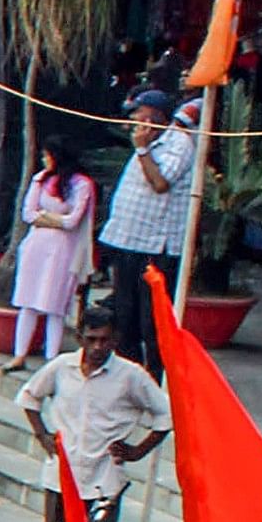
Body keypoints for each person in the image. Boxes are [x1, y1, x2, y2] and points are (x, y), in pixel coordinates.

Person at [17, 316, 170, 522]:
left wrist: (138, 451)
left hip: (104, 478)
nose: (98, 347)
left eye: (104, 340)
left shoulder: (131, 375)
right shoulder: (61, 367)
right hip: (61, 474)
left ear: (115, 341)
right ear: (79, 339)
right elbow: (29, 397)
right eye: (91, 340)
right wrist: (42, 436)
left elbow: (165, 414)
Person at [98, 90, 200, 367]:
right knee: (124, 315)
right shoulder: (143, 140)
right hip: (127, 240)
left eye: (138, 112)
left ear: (154, 116)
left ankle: (153, 379)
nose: (132, 118)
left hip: (156, 246)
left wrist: (142, 149)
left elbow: (160, 183)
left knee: (150, 321)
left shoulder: (178, 144)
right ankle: (128, 374)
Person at [9, 140, 97, 358]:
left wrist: (44, 217)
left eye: (47, 156)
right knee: (27, 301)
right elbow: (27, 214)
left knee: (54, 306)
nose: (44, 160)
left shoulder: (81, 184)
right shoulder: (40, 179)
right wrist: (56, 219)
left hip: (63, 249)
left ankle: (51, 357)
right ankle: (19, 354)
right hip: (36, 245)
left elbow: (73, 221)